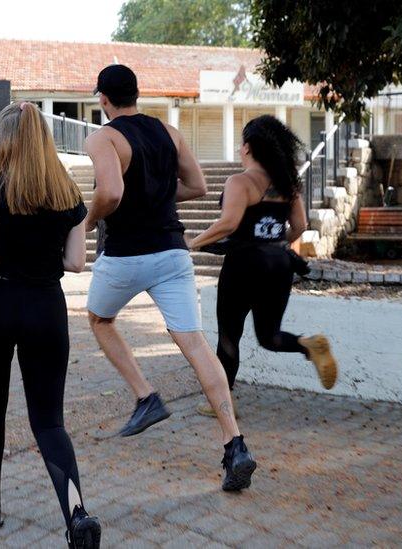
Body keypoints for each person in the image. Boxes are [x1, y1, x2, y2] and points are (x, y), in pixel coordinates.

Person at [84, 64, 255, 492]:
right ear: (137, 95)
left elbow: (110, 193)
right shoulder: (169, 132)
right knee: (196, 344)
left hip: (125, 255)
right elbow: (196, 185)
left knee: (100, 320)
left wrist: (87, 221)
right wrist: (158, 193)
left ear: (103, 99)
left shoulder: (103, 137)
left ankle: (145, 396)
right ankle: (234, 443)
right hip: (173, 252)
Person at [0, 102, 101, 548]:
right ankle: (76, 512)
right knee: (50, 421)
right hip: (45, 309)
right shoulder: (68, 193)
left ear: (7, 140)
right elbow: (75, 262)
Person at [188, 115, 338, 407]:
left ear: (247, 148)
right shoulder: (287, 184)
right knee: (269, 336)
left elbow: (228, 224)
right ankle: (310, 345)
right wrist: (276, 245)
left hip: (242, 267)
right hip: (279, 265)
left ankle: (221, 403)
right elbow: (299, 226)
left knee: (229, 336)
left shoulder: (240, 182)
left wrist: (193, 242)